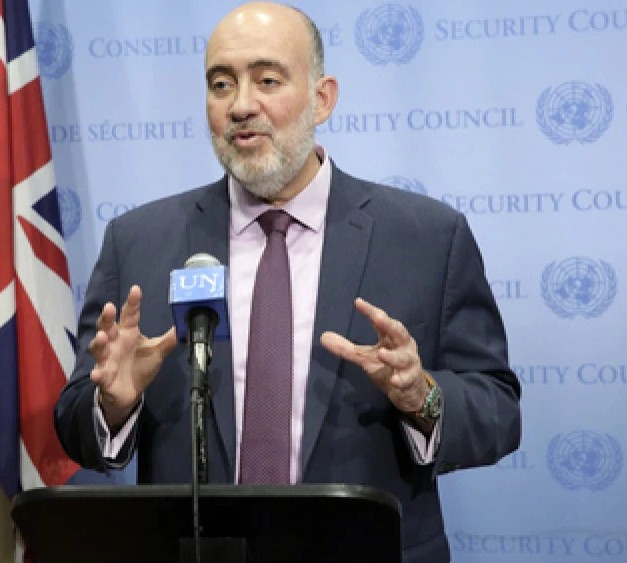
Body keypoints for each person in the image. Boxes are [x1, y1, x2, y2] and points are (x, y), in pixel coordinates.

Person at [54, 2, 521, 561]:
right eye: (220, 84)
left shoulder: (426, 236)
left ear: (322, 98)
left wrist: (424, 398)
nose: (241, 106)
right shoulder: (138, 242)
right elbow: (76, 421)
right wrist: (112, 406)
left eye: (267, 79)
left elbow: (498, 409)